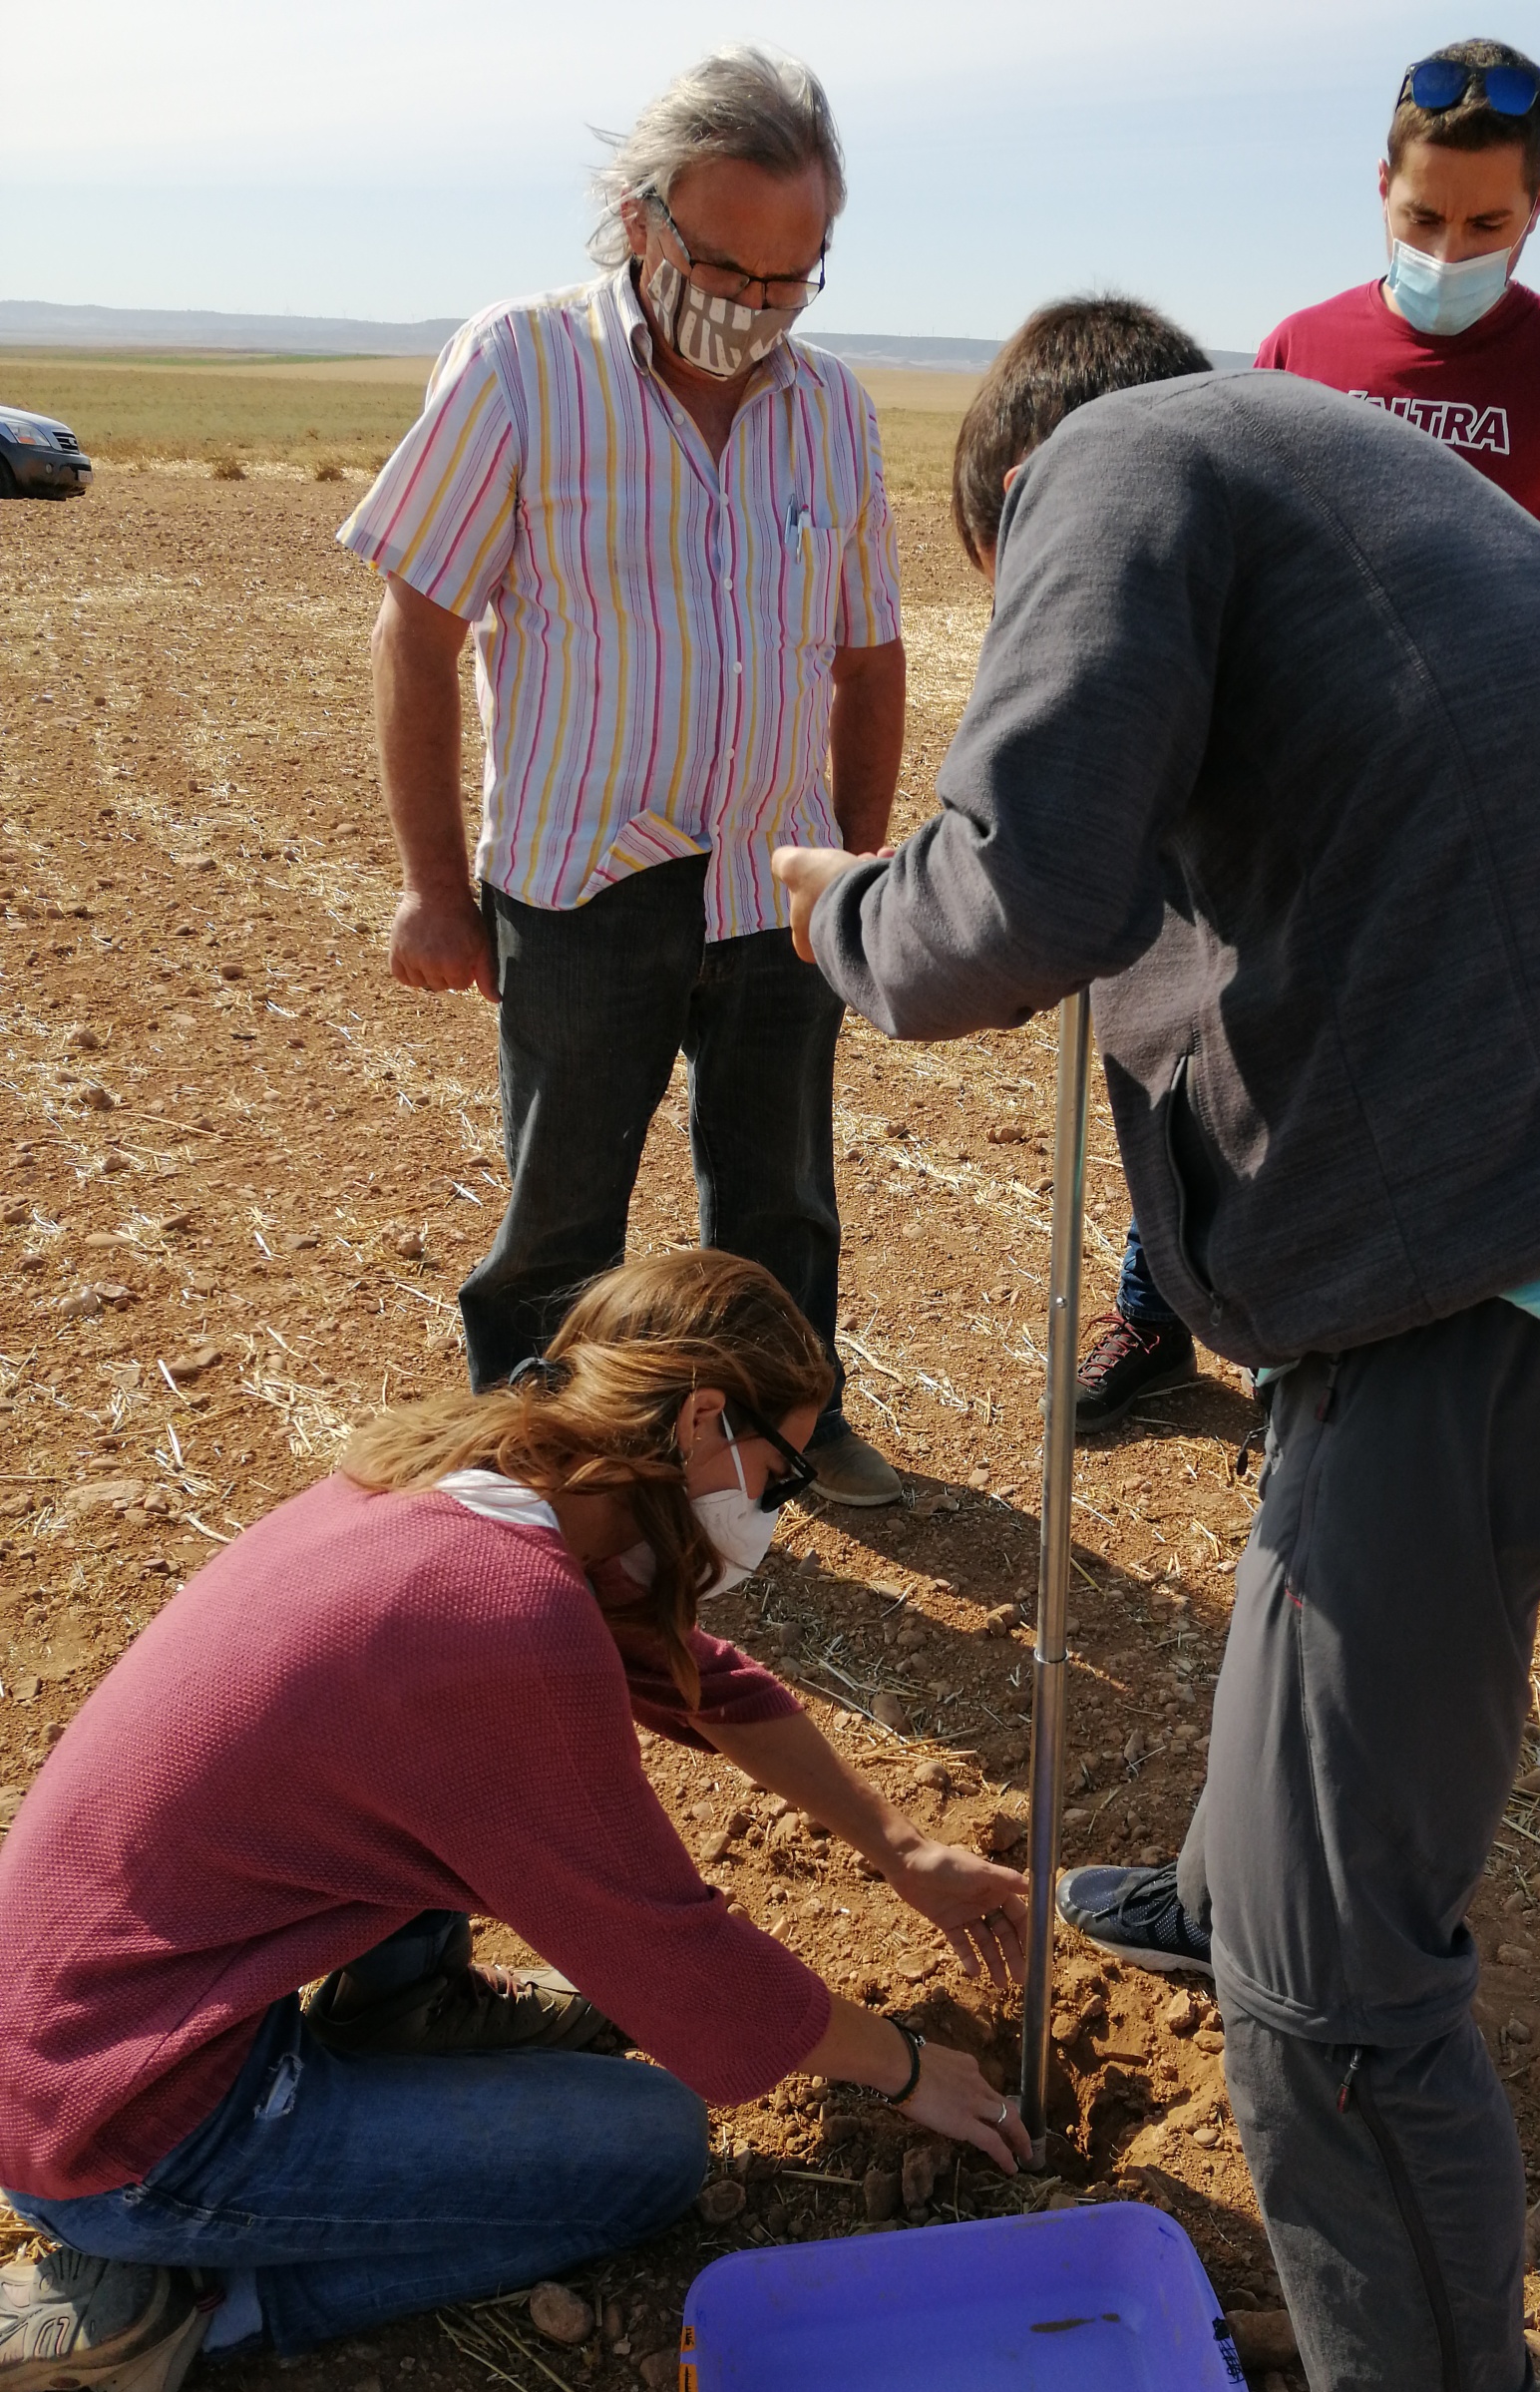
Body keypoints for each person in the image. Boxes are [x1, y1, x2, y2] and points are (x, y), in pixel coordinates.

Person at [775, 300, 1540, 2392]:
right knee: (1304, 1609)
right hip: (1530, 1266)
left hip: (1465, 1318)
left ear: (1015, 498)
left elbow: (1000, 902)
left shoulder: (1114, 471)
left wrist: (841, 912)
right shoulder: (1350, 488)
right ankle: (1218, 1881)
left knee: (1335, 1995)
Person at [0, 1251, 1030, 2392]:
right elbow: (678, 1968)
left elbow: (703, 1678)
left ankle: (402, 2010)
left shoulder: (462, 1482)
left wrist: (899, 1847)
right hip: (130, 2124)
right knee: (650, 2148)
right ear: (703, 1419)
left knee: (400, 1791)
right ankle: (180, 2304)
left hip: (86, 2019)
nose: (774, 1510)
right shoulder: (505, 1620)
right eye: (779, 1475)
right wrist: (903, 2069)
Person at [1076, 35, 1540, 1435]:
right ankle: (1158, 1305)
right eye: (1424, 217)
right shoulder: (1302, 352)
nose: (1452, 248)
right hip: (1301, 799)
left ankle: (1412, 1356)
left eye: (1487, 224)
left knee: (1456, 1078)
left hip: (1474, 828)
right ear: (1380, 184)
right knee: (1230, 1045)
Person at [338, 45, 910, 1506]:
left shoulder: (833, 410)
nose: (760, 311)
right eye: (731, 269)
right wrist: (427, 887)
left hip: (777, 884)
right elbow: (417, 620)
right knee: (559, 1216)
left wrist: (856, 876)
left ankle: (790, 1425)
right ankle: (530, 1464)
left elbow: (868, 654)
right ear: (643, 221)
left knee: (781, 1198)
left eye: (797, 279)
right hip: (583, 885)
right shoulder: (521, 366)